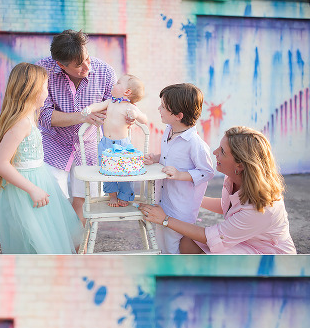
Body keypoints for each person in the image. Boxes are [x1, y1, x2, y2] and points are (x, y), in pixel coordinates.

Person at [139, 126, 296, 253]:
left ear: (240, 165)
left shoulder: (259, 209)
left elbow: (209, 236)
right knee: (187, 243)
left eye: (222, 151)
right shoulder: (235, 179)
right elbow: (227, 206)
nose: (214, 152)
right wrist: (189, 198)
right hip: (244, 240)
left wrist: (164, 219)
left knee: (202, 251)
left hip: (267, 255)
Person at [0, 63, 83, 254]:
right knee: (33, 239)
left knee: (47, 233)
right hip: (25, 190)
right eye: (45, 88)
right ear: (32, 91)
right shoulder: (20, 124)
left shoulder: (29, 119)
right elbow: (0, 163)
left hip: (39, 181)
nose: (47, 92)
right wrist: (33, 189)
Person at [36, 30, 117, 222]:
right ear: (60, 65)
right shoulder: (42, 71)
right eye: (79, 65)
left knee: (86, 201)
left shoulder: (106, 72)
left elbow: (114, 110)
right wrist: (83, 116)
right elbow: (44, 115)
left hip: (89, 145)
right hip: (53, 143)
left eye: (87, 58)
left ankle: (77, 251)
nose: (87, 67)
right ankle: (59, 247)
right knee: (53, 200)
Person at [140, 83, 214, 253]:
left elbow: (207, 172)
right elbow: (169, 156)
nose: (159, 109)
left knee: (173, 244)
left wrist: (180, 174)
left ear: (178, 115)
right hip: (163, 198)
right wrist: (156, 158)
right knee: (160, 240)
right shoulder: (168, 130)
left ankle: (173, 273)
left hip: (180, 207)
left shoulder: (195, 144)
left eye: (164, 107)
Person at [86, 74, 149, 207]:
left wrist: (136, 115)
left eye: (118, 83)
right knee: (107, 172)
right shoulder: (110, 102)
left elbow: (144, 119)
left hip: (123, 146)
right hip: (105, 144)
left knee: (124, 173)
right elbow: (99, 105)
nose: (114, 84)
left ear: (127, 92)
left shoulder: (129, 107)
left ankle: (125, 196)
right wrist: (89, 109)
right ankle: (112, 196)